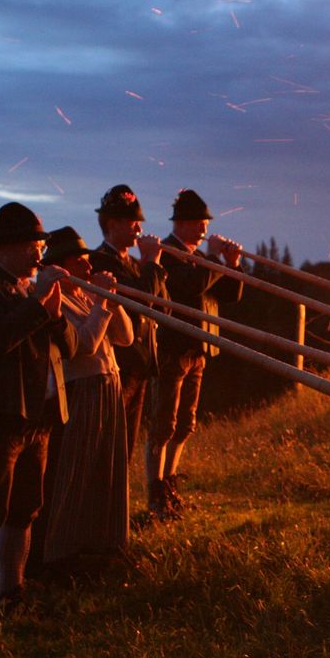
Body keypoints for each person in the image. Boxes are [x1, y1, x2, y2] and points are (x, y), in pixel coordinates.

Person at [0, 202, 76, 631]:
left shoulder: (30, 291)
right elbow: (0, 337)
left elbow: (72, 346)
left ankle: (11, 592)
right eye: (31, 246)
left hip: (35, 418)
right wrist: (41, 300)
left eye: (40, 245)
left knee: (25, 510)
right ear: (4, 248)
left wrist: (58, 314)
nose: (38, 254)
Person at [39, 227, 135, 573]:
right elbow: (84, 345)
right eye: (78, 260)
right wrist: (101, 302)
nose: (86, 266)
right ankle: (65, 551)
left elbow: (125, 337)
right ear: (60, 266)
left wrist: (108, 300)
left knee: (107, 467)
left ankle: (103, 543)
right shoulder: (57, 300)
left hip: (109, 384)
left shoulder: (85, 295)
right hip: (82, 388)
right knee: (78, 468)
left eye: (85, 259)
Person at [144, 188, 242, 519]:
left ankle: (169, 482)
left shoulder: (199, 256)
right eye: (199, 224)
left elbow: (228, 294)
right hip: (173, 347)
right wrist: (215, 259)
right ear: (182, 225)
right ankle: (155, 490)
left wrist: (232, 264)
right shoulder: (168, 253)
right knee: (163, 423)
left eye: (204, 225)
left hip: (199, 346)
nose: (204, 231)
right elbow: (191, 286)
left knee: (185, 423)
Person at [87, 185, 167, 467]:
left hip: (139, 363)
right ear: (112, 224)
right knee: (110, 443)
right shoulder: (100, 261)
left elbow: (163, 306)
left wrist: (151, 266)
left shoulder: (134, 263)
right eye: (133, 223)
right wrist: (153, 264)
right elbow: (141, 300)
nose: (138, 230)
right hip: (119, 364)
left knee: (127, 445)